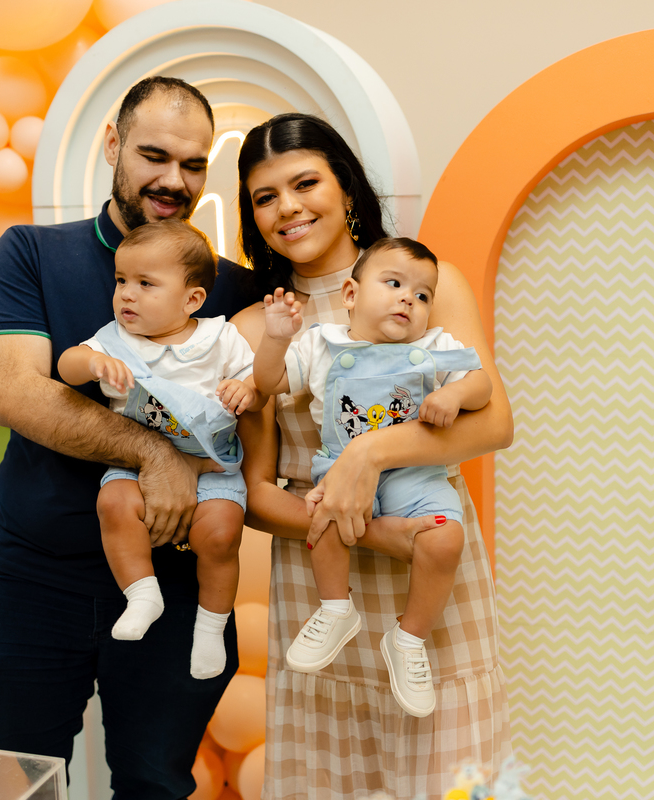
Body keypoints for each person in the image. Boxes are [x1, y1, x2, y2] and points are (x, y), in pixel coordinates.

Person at [0, 76, 258, 799]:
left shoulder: (228, 290)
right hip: (33, 579)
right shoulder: (31, 252)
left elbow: (262, 414)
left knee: (157, 784)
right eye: (154, 156)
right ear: (113, 144)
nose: (173, 180)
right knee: (20, 786)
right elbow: (18, 395)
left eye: (193, 165)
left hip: (177, 585)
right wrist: (152, 452)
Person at [231, 113, 515, 799]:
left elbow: (494, 422)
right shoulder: (257, 328)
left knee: (447, 775)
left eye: (305, 184)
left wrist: (369, 455)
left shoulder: (425, 283)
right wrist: (370, 530)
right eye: (265, 197)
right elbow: (256, 495)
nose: (287, 208)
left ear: (347, 188)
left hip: (430, 562)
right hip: (320, 580)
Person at [251, 237, 491, 719]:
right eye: (394, 284)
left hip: (415, 474)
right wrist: (276, 339)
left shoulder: (433, 346)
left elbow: (481, 383)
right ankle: (335, 609)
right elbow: (269, 382)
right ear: (351, 294)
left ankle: (409, 639)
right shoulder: (322, 343)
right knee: (324, 515)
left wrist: (456, 395)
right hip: (342, 469)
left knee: (446, 538)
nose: (408, 299)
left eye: (422, 295)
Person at [57, 219, 262, 680]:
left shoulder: (220, 338)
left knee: (221, 535)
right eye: (121, 280)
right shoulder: (115, 340)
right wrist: (92, 362)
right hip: (135, 464)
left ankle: (211, 628)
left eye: (145, 284)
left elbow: (257, 380)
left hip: (213, 463)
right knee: (113, 504)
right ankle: (142, 594)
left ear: (192, 299)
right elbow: (67, 365)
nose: (126, 294)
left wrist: (245, 387)